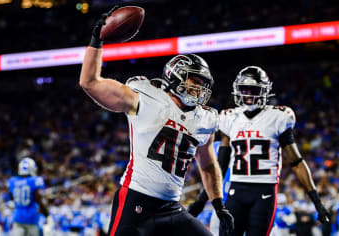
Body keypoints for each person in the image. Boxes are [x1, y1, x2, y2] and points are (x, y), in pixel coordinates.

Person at [79, 6, 234, 236]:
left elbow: (209, 165)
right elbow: (89, 82)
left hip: (171, 207)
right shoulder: (145, 96)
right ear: (176, 74)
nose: (199, 88)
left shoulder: (205, 118)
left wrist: (218, 204)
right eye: (195, 81)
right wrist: (96, 41)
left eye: (203, 84)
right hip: (136, 200)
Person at [188, 66, 331, 236]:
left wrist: (317, 202)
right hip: (236, 190)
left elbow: (297, 162)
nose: (248, 94)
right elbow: (221, 165)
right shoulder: (229, 118)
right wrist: (202, 201)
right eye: (244, 89)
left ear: (264, 90)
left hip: (264, 192)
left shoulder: (278, 117)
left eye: (253, 89)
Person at [8, 157, 52, 236]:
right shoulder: (34, 180)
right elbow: (38, 199)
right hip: (31, 217)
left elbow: (12, 197)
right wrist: (47, 215)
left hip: (17, 216)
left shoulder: (13, 181)